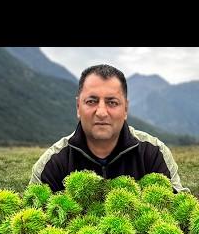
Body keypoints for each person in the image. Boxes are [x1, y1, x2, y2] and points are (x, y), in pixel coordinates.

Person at [29, 64, 189, 193]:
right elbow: (31, 218)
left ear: (125, 109)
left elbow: (180, 209)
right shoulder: (52, 163)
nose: (101, 112)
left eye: (112, 102)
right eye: (91, 101)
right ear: (78, 107)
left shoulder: (154, 153)